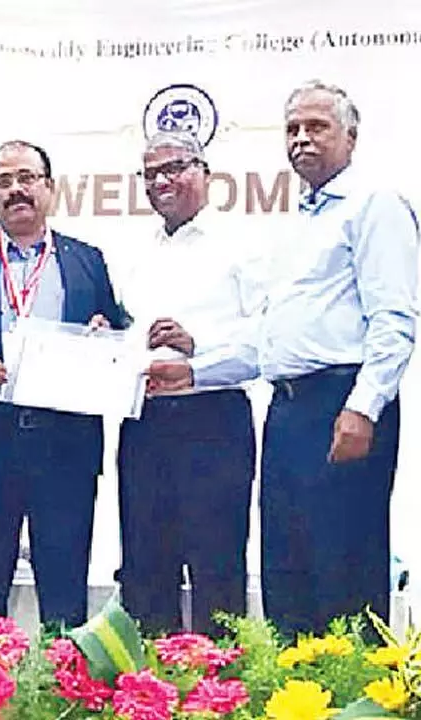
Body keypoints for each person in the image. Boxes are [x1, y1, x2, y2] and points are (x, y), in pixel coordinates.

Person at [149, 81, 418, 636]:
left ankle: (358, 703)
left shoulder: (375, 205)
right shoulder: (296, 223)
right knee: (286, 577)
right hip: (287, 412)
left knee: (344, 576)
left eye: (317, 127)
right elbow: (269, 340)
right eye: (293, 129)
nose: (302, 140)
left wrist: (363, 408)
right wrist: (195, 372)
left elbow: (396, 321)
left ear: (351, 135)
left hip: (340, 407)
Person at [0, 140, 126, 638]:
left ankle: (61, 706)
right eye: (4, 181)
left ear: (50, 187)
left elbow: (116, 331)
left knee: (65, 597)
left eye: (27, 178)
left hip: (66, 449)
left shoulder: (88, 260)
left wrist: (108, 333)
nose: (16, 190)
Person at [114, 131, 263, 636]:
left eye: (174, 168)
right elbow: (128, 336)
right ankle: (147, 702)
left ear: (205, 171)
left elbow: (265, 343)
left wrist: (197, 350)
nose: (162, 181)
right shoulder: (134, 253)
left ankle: (216, 705)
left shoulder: (243, 247)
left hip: (213, 418)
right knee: (144, 568)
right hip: (145, 422)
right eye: (151, 173)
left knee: (216, 568)